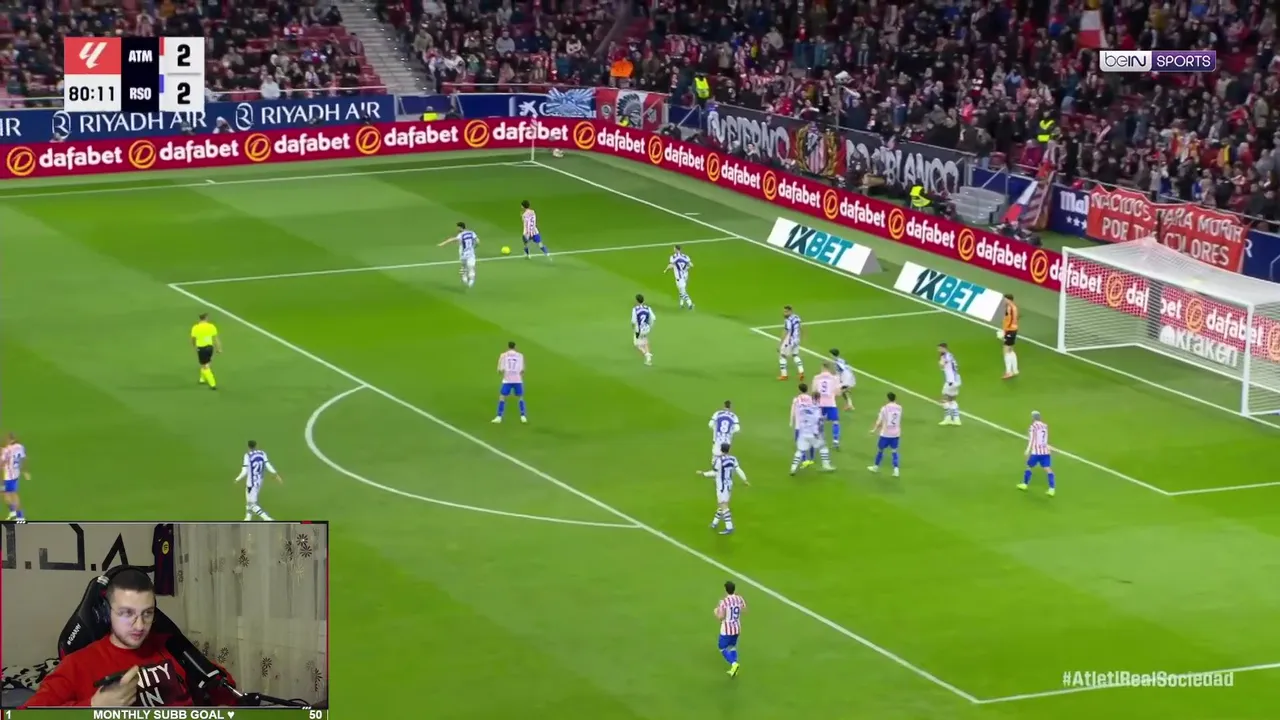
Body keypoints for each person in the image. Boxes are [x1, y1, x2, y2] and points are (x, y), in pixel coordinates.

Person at [21, 569, 239, 708]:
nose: (140, 625)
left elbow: (227, 695)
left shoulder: (171, 646)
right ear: (106, 613)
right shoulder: (77, 664)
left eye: (148, 613)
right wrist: (94, 707)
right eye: (127, 613)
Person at [190, 314, 220, 390]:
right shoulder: (211, 326)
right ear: (206, 318)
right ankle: (202, 379)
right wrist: (218, 348)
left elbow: (193, 338)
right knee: (206, 363)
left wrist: (193, 346)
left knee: (205, 365)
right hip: (210, 348)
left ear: (200, 319)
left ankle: (212, 383)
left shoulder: (195, 327)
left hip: (201, 348)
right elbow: (216, 338)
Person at [1001, 294, 1020, 379]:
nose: (1004, 301)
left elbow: (1013, 319)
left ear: (1009, 300)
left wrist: (1005, 331)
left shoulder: (1011, 308)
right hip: (1012, 330)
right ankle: (1015, 370)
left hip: (1010, 330)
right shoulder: (1011, 307)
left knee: (1006, 350)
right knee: (1011, 349)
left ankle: (1009, 372)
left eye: (1005, 299)